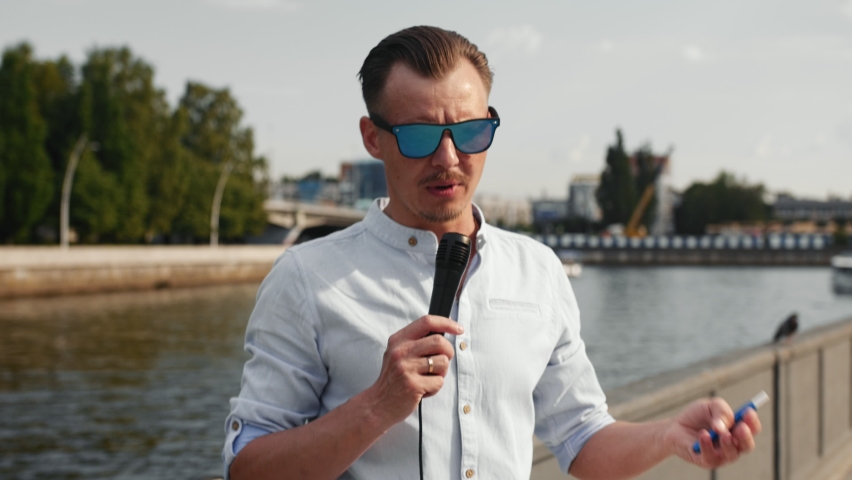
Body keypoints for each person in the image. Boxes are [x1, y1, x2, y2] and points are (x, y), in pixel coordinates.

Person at [223, 26, 761, 480]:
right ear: (372, 138)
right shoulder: (306, 279)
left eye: (471, 131)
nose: (449, 158)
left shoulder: (537, 271)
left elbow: (582, 437)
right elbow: (246, 467)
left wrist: (668, 435)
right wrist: (376, 406)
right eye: (419, 136)